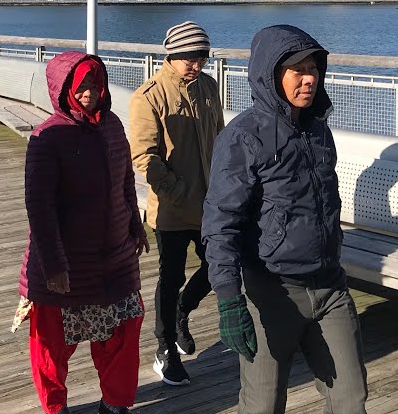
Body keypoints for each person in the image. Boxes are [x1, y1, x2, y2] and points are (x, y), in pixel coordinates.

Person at [202, 24, 368, 414]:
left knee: (351, 400)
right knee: (262, 406)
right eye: (298, 70)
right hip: (271, 292)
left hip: (330, 287)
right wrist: (229, 300)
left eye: (314, 69)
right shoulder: (243, 137)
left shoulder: (318, 132)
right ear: (271, 74)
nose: (309, 78)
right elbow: (220, 222)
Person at [15, 51, 148, 414]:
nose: (89, 92)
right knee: (51, 348)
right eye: (81, 86)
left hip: (115, 260)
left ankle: (116, 403)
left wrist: (136, 227)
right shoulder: (47, 137)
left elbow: (124, 182)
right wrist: (54, 266)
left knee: (123, 334)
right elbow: (39, 207)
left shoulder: (113, 125)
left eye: (95, 84)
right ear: (64, 90)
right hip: (64, 266)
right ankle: (55, 408)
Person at [129, 21, 225, 387]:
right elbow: (144, 155)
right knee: (170, 276)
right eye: (188, 57)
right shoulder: (148, 96)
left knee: (220, 266)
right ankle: (164, 347)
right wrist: (175, 189)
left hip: (212, 202)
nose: (195, 63)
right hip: (171, 206)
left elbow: (219, 136)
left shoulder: (209, 87)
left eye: (200, 56)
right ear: (171, 54)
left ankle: (183, 310)